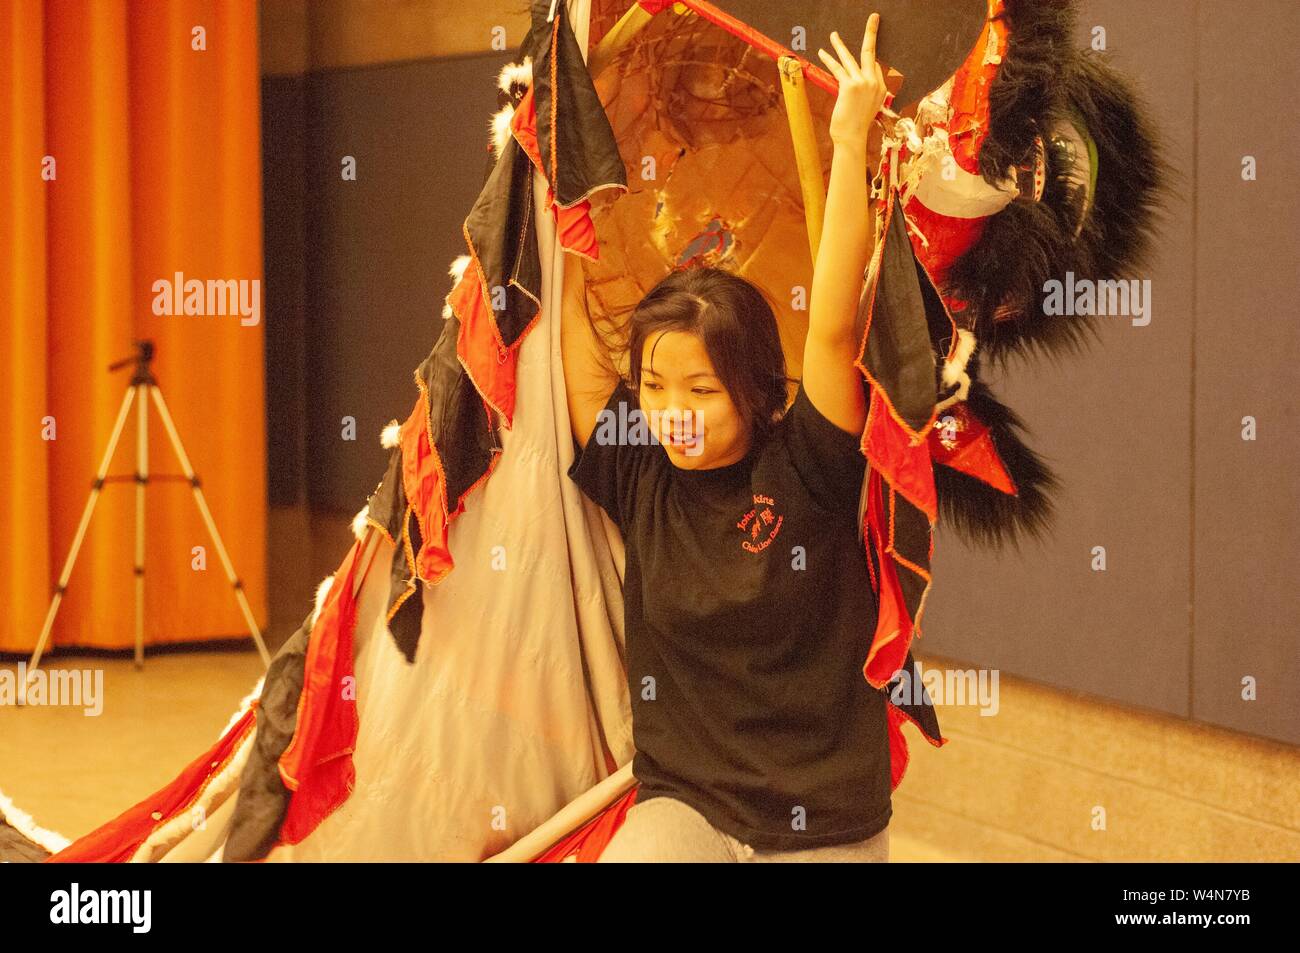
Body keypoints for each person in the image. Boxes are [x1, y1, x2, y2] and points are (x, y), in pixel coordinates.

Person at [560, 13, 891, 863]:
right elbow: (567, 325)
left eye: (701, 389)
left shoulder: (811, 462)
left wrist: (849, 139)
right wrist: (547, 149)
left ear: (750, 388)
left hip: (825, 820)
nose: (673, 409)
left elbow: (834, 324)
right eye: (657, 387)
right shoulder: (639, 470)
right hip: (688, 809)